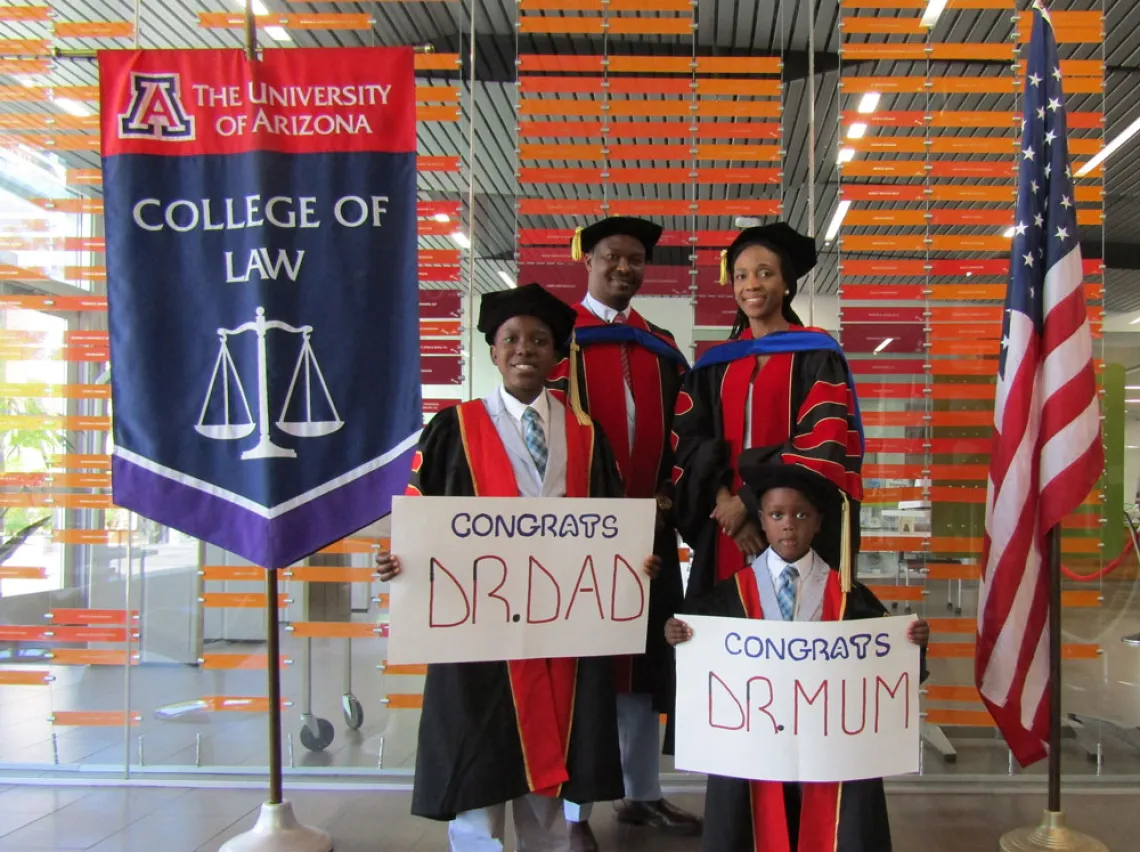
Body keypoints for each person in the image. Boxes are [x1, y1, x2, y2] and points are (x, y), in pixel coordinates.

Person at [376, 282, 662, 852]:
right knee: (480, 760)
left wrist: (635, 565)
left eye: (538, 339)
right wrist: (397, 561)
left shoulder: (585, 432)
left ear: (558, 354)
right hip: (479, 633)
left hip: (562, 630)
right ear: (494, 351)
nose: (524, 349)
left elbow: (611, 525)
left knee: (553, 765)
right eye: (511, 339)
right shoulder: (453, 428)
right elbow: (419, 516)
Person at [664, 449, 929, 851]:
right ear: (763, 524)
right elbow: (699, 667)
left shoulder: (850, 598)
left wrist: (912, 647)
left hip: (830, 753)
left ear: (818, 522)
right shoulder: (724, 599)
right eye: (777, 516)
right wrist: (678, 638)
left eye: (801, 515)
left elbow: (888, 668)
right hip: (752, 754)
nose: (789, 526)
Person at [547, 216, 699, 850]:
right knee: (585, 671)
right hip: (578, 538)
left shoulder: (660, 343)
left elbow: (683, 438)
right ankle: (577, 811)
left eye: (635, 259)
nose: (624, 268)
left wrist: (670, 492)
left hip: (650, 531)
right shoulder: (559, 340)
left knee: (642, 668)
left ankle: (641, 795)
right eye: (612, 256)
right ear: (588, 260)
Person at [672, 221, 864, 604]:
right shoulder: (715, 364)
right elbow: (690, 441)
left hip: (794, 519)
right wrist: (726, 507)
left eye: (765, 273)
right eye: (741, 276)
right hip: (724, 522)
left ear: (787, 283)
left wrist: (748, 502)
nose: (751, 285)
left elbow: (822, 440)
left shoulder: (816, 354)